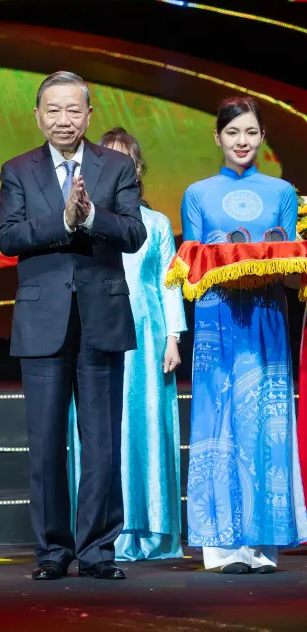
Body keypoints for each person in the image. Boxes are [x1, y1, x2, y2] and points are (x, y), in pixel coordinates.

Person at [0, 71, 146, 581]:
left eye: (73, 110)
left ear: (89, 114)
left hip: (101, 317)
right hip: (42, 320)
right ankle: (53, 551)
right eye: (53, 110)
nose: (63, 119)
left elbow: (133, 232)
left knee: (101, 441)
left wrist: (89, 216)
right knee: (46, 442)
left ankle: (100, 549)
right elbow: (8, 238)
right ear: (38, 116)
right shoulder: (17, 169)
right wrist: (62, 222)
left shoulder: (116, 166)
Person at [182, 97, 307, 574]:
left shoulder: (281, 191)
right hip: (217, 320)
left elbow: (290, 255)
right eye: (233, 133)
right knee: (218, 421)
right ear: (218, 137)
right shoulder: (197, 192)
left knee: (267, 422)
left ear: (261, 138)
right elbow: (190, 259)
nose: (242, 142)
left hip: (265, 316)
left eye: (251, 133)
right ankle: (220, 546)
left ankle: (263, 543)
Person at [67, 127, 186, 561]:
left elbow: (168, 282)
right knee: (102, 432)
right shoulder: (83, 221)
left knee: (146, 430)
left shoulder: (155, 224)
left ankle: (150, 529)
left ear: (136, 171)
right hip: (98, 332)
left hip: (147, 333)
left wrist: (173, 336)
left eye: (128, 163)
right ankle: (102, 532)